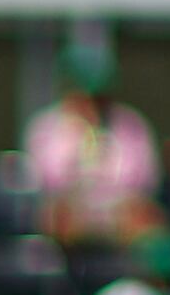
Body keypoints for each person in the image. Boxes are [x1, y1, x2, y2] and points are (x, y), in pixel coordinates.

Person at [25, 46, 161, 244]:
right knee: (56, 218)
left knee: (148, 220)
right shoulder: (45, 129)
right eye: (85, 98)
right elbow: (48, 185)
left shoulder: (130, 125)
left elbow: (144, 185)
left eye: (100, 99)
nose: (93, 106)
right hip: (72, 213)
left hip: (120, 214)